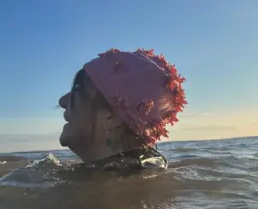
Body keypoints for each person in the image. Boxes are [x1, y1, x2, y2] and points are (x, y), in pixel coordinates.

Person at [58, 48, 187, 172]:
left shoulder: (107, 188)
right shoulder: (147, 176)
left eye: (77, 89)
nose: (62, 101)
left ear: (111, 118)